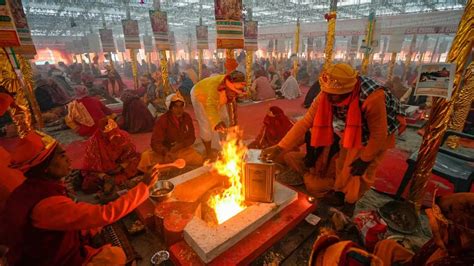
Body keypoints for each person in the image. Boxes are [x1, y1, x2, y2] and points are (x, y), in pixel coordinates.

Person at [0, 131, 157, 265]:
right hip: (51, 261)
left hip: (44, 249)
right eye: (61, 156)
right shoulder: (47, 205)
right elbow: (105, 214)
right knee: (116, 256)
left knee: (93, 228)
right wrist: (143, 187)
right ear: (46, 167)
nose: (69, 159)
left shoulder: (32, 188)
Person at [262, 63, 406, 206]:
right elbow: (306, 122)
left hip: (380, 133)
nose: (329, 99)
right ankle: (339, 191)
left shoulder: (372, 97)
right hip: (353, 130)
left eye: (334, 96)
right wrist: (280, 147)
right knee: (344, 162)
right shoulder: (327, 92)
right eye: (327, 94)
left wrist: (365, 159)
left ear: (348, 91)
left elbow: (378, 136)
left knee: (360, 172)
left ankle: (349, 202)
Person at [138, 93, 203, 171]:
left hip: (180, 150)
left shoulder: (187, 117)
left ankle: (167, 167)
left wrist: (181, 145)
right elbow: (155, 142)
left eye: (181, 106)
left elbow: (191, 137)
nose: (179, 110)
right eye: (176, 106)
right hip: (164, 152)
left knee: (197, 158)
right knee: (146, 157)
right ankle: (170, 166)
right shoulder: (162, 120)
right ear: (170, 108)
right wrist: (165, 152)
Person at [190, 70, 246, 159]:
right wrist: (216, 122)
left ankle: (226, 149)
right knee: (206, 125)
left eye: (236, 92)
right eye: (232, 92)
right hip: (200, 96)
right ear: (227, 87)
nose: (234, 94)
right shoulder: (214, 88)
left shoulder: (234, 87)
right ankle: (208, 153)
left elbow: (232, 111)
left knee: (225, 119)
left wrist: (234, 130)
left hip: (216, 98)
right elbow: (210, 106)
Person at [81, 119, 141, 194]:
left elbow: (131, 155)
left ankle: (116, 182)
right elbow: (91, 167)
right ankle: (115, 183)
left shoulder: (123, 136)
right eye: (109, 135)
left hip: (121, 168)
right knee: (89, 184)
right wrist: (105, 177)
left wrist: (121, 166)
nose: (113, 138)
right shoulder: (94, 143)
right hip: (104, 172)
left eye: (115, 134)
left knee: (141, 160)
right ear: (102, 134)